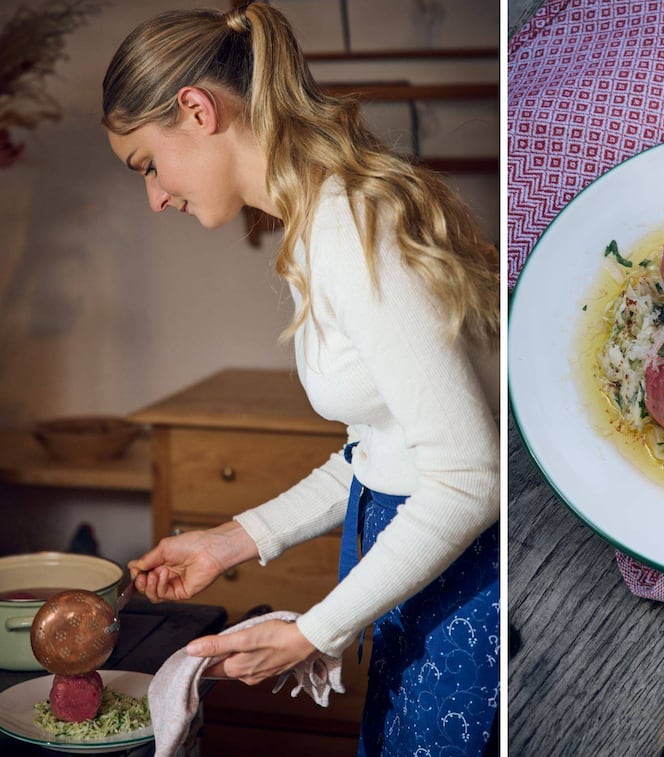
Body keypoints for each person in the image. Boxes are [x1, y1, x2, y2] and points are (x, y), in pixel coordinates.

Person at [101, 3, 501, 754]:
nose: (154, 196)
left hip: (468, 592)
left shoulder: (350, 226)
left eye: (147, 164)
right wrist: (231, 540)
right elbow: (381, 452)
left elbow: (470, 478)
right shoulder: (317, 220)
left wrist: (311, 632)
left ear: (196, 110)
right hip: (425, 581)